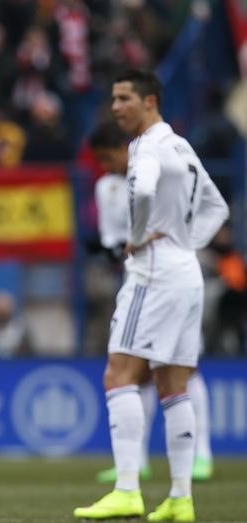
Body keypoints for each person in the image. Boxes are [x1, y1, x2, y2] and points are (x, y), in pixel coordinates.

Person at [74, 70, 229, 523]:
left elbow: (141, 189)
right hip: (186, 271)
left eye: (124, 98)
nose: (116, 106)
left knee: (118, 375)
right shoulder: (179, 144)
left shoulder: (146, 146)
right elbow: (216, 206)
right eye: (114, 98)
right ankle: (181, 498)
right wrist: (184, 240)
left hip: (154, 273)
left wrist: (138, 237)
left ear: (150, 100)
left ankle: (127, 489)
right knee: (173, 385)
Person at [87, 119, 215, 485]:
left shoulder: (156, 172)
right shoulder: (106, 187)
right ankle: (136, 460)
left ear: (121, 149)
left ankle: (200, 455)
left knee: (184, 368)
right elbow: (114, 239)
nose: (104, 166)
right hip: (138, 280)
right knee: (136, 373)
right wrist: (110, 247)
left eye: (106, 157)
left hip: (175, 276)